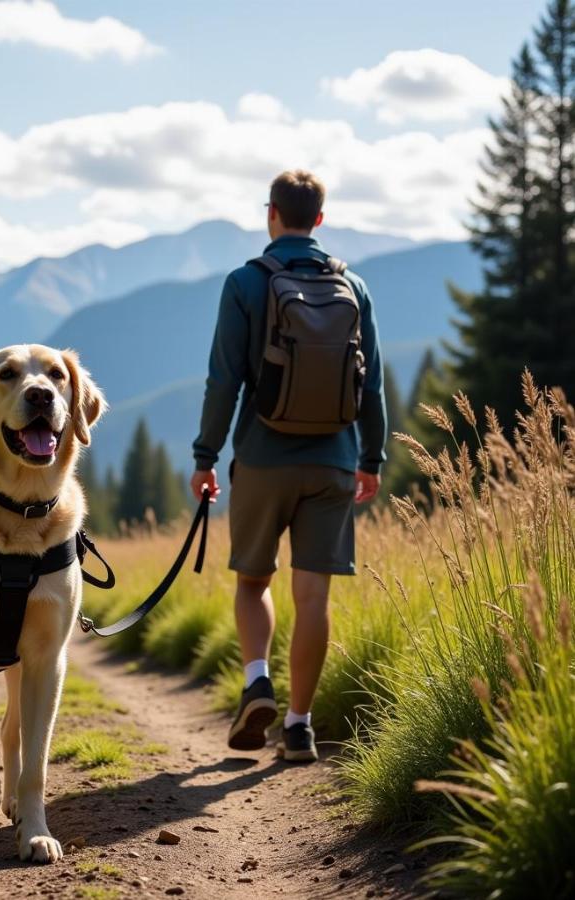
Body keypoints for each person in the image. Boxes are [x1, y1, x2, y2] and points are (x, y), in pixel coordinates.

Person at [190, 170, 386, 762]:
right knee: (314, 597)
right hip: (334, 460)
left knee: (254, 581)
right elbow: (372, 384)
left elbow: (224, 379)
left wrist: (206, 455)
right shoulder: (353, 284)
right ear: (319, 219)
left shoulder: (246, 283)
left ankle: (257, 680)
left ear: (270, 213)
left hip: (263, 454)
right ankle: (299, 726)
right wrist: (371, 459)